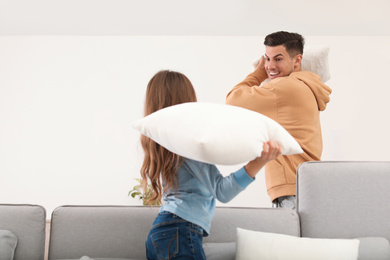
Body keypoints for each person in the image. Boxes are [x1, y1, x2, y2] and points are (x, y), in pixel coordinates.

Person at [140, 70, 282, 260]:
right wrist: (259, 161)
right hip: (180, 230)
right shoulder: (187, 144)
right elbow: (222, 191)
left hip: (160, 233)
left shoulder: (163, 143)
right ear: (187, 101)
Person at [226, 31, 332, 210]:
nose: (270, 66)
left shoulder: (284, 87)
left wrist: (258, 74)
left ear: (297, 60)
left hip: (293, 189)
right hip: (304, 186)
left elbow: (233, 100)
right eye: (267, 59)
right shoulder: (304, 86)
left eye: (278, 59)